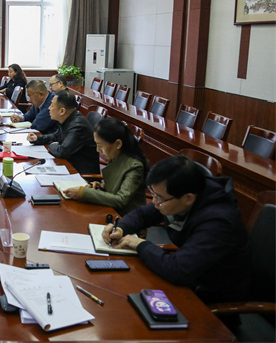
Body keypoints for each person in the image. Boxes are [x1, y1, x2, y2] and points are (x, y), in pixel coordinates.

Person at [103, 155, 250, 304]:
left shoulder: (218, 223)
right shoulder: (180, 195)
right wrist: (121, 228)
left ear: (188, 199)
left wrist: (140, 244)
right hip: (188, 273)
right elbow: (142, 214)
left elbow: (179, 270)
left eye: (159, 198)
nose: (154, 202)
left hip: (208, 295)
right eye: (153, 194)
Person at [63, 117, 149, 216]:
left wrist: (83, 193)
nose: (97, 150)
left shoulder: (135, 167)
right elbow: (116, 185)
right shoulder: (115, 156)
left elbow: (121, 200)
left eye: (100, 145)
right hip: (110, 210)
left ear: (118, 144)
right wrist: (101, 186)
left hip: (126, 218)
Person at [27, 90, 99, 175]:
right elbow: (56, 136)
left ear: (62, 111)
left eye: (52, 106)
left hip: (81, 175)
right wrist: (37, 138)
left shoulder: (78, 125)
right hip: (69, 166)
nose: (49, 108)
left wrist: (51, 145)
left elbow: (62, 151)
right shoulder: (68, 118)